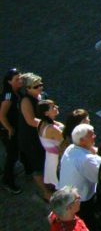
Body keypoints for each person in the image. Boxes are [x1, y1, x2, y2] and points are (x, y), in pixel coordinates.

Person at [59, 124, 101, 229]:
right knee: (90, 222)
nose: (95, 136)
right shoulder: (86, 159)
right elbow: (98, 177)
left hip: (68, 196)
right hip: (82, 201)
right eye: (91, 135)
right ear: (82, 141)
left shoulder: (70, 148)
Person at [18, 72, 52, 201]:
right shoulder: (26, 101)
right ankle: (45, 192)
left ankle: (49, 182)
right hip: (31, 139)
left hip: (42, 135)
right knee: (37, 166)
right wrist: (50, 126)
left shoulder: (42, 96)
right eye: (36, 87)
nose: (40, 88)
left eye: (40, 85)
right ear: (27, 89)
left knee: (46, 160)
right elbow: (31, 120)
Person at [0, 68, 23, 194]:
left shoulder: (16, 92)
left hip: (14, 127)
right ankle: (7, 180)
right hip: (7, 129)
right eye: (17, 79)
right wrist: (9, 128)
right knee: (12, 155)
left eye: (20, 78)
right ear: (9, 82)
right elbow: (2, 115)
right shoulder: (8, 96)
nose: (20, 81)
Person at [37, 99, 64, 188]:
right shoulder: (52, 129)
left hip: (50, 158)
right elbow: (65, 144)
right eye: (53, 107)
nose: (56, 107)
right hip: (58, 160)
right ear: (46, 113)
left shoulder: (41, 123)